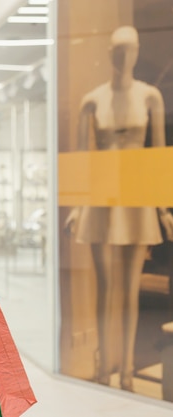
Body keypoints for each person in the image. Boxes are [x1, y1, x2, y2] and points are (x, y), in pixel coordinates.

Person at [65, 25, 173, 392]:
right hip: (101, 199)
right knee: (105, 288)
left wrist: (162, 207)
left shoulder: (150, 97)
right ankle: (103, 365)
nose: (124, 57)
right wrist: (78, 205)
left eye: (130, 50)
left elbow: (157, 157)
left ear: (138, 52)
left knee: (129, 290)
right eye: (117, 50)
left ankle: (126, 369)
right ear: (110, 54)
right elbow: (82, 160)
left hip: (137, 198)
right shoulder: (93, 100)